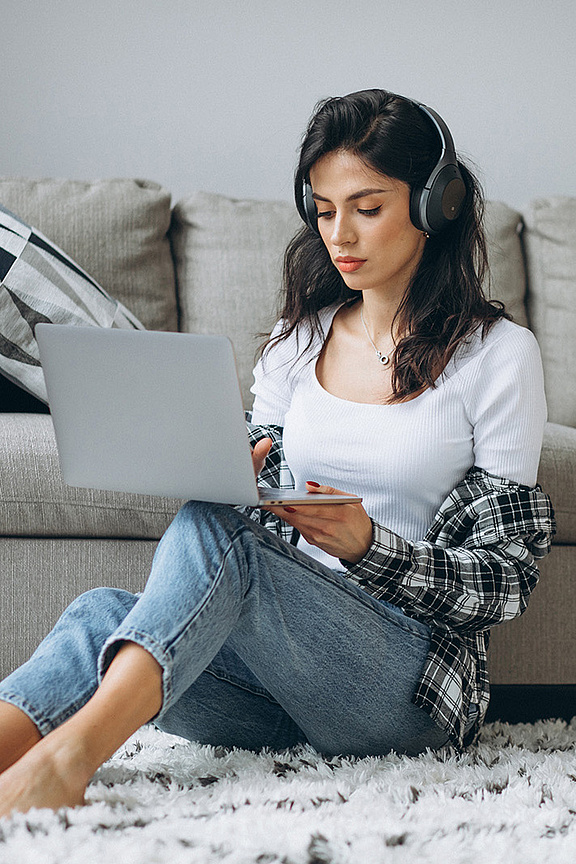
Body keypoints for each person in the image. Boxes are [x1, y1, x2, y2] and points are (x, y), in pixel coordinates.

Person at [0, 89, 554, 818]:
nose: (340, 234)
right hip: (285, 694)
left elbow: (506, 582)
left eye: (366, 207)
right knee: (105, 612)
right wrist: (229, 466)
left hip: (404, 693)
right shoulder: (300, 339)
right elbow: (251, 517)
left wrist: (369, 548)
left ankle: (68, 762)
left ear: (433, 207)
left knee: (221, 534)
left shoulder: (498, 356)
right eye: (324, 210)